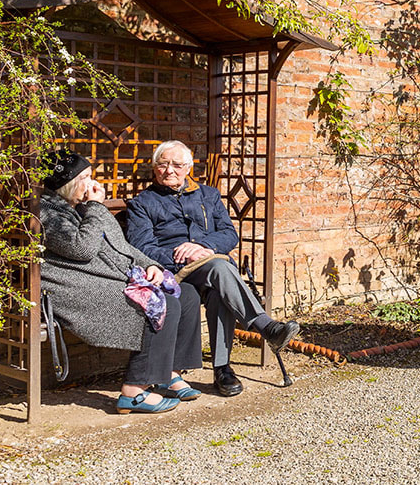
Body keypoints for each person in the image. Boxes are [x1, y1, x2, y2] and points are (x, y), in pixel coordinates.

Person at [126, 141, 301, 397]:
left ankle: (223, 369)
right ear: (155, 168)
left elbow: (229, 234)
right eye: (163, 164)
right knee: (221, 267)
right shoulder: (143, 202)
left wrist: (203, 245)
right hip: (172, 273)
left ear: (188, 167)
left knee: (220, 286)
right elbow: (142, 247)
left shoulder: (208, 195)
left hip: (210, 268)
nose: (169, 170)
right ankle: (265, 329)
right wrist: (181, 254)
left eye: (176, 165)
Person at [38, 149, 202, 414]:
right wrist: (96, 207)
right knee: (161, 303)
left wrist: (151, 265)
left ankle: (169, 373)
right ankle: (134, 391)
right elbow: (82, 249)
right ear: (68, 183)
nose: (93, 184)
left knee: (188, 293)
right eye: (86, 177)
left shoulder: (78, 206)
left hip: (102, 276)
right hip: (74, 286)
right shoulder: (48, 213)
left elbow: (120, 246)